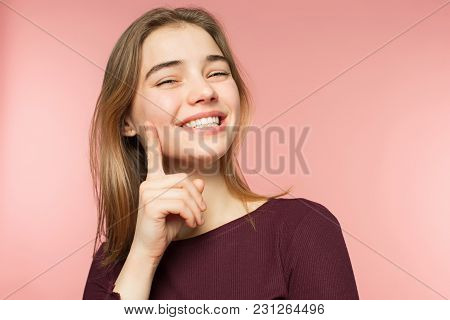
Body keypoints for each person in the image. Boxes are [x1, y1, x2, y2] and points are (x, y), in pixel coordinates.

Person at [82, 7, 359, 300]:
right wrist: (142, 258)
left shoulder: (304, 230)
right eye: (168, 80)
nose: (205, 90)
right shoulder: (111, 269)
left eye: (217, 73)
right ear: (126, 121)